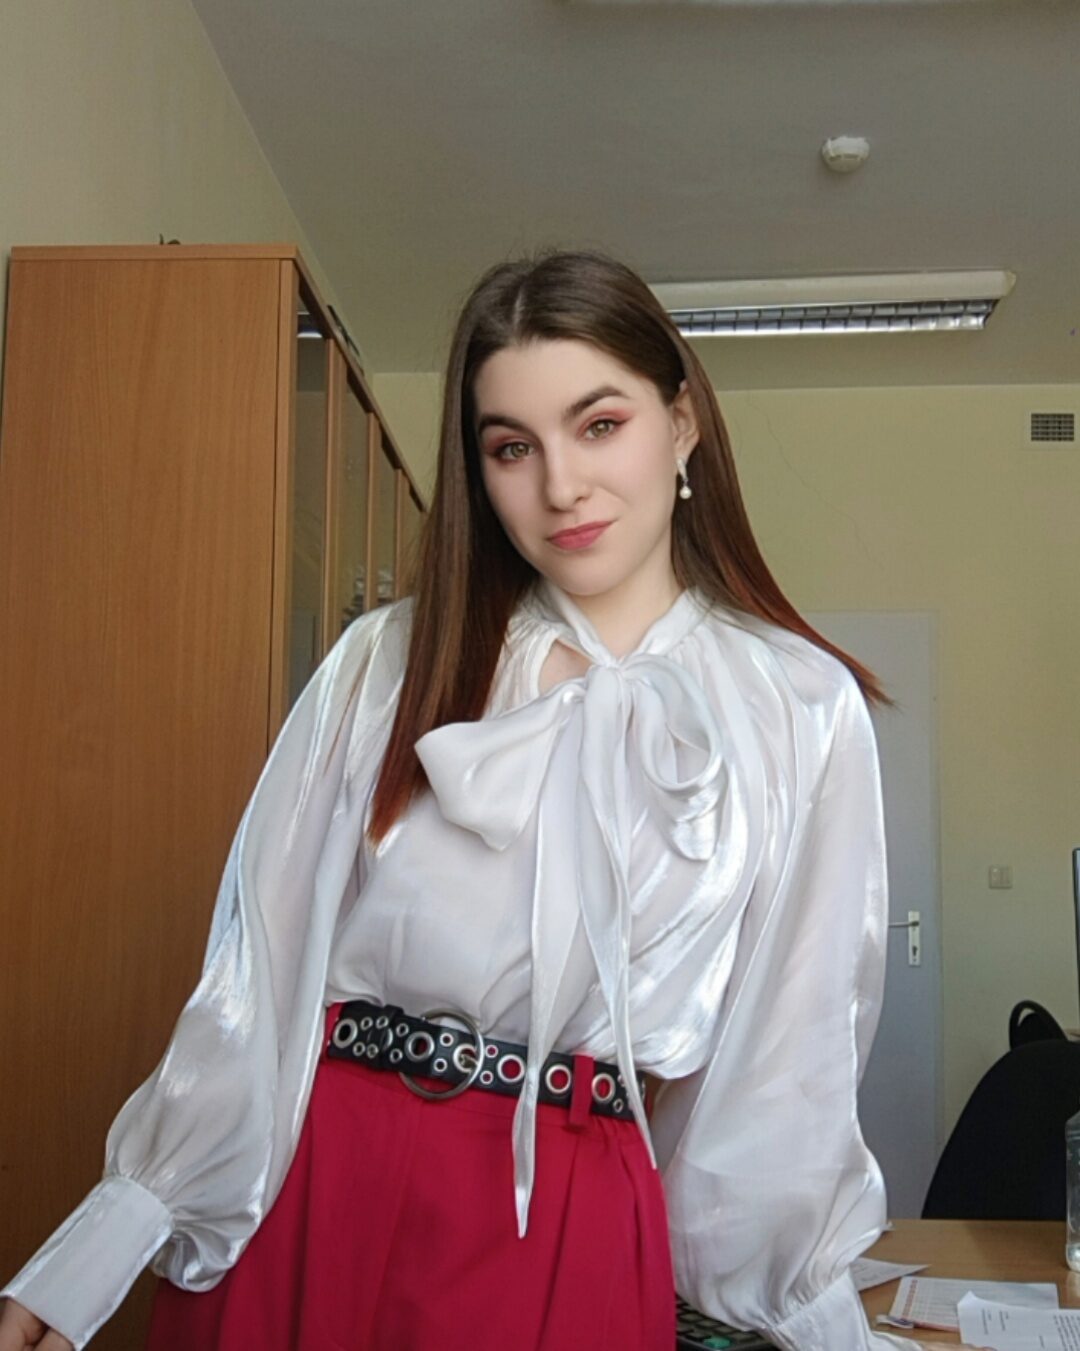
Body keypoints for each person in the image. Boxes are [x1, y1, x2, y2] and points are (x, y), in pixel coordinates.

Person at [0, 248, 971, 1351]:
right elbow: (259, 972)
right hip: (315, 1181)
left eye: (599, 425)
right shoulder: (389, 659)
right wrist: (101, 1241)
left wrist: (817, 1318)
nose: (562, 486)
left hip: (567, 1213)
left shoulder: (798, 706)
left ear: (682, 423)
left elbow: (785, 1068)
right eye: (513, 446)